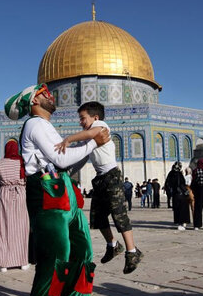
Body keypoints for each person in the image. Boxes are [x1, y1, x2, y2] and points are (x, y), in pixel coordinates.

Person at [5, 83, 110, 296]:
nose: (51, 96)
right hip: (47, 195)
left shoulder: (46, 126)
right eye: (44, 94)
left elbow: (64, 161)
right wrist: (93, 142)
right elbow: (61, 159)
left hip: (63, 191)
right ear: (34, 101)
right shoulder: (35, 124)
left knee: (82, 251)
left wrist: (88, 146)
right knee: (55, 257)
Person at [55, 101, 143, 274]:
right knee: (97, 216)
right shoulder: (89, 138)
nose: (80, 122)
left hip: (112, 177)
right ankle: (113, 245)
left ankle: (132, 252)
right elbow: (81, 158)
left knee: (119, 215)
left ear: (95, 117)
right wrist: (67, 171)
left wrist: (68, 139)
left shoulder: (100, 126)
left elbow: (93, 131)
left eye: (83, 118)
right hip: (100, 179)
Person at [0, 140, 30, 271]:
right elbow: (27, 179)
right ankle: (22, 261)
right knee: (21, 228)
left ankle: (3, 263)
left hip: (4, 194)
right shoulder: (22, 162)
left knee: (3, 228)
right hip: (21, 195)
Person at [166, 162, 190, 230]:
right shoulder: (179, 174)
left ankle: (179, 222)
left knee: (177, 209)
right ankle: (182, 223)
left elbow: (167, 184)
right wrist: (186, 191)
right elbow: (181, 184)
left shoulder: (170, 174)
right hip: (181, 194)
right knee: (182, 209)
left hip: (175, 194)